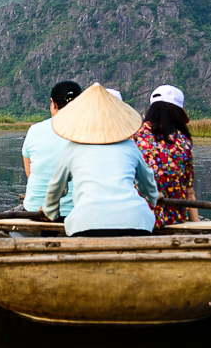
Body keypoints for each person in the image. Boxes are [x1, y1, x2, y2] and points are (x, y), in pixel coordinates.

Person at [44, 83, 159, 236]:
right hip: (136, 222)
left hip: (85, 223)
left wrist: (50, 212)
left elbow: (56, 186)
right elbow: (147, 183)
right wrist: (154, 198)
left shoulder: (72, 149)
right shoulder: (130, 146)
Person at [134, 84, 199, 229]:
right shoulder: (183, 142)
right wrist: (197, 229)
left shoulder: (135, 137)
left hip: (139, 217)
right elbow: (189, 192)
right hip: (174, 219)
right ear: (177, 113)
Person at [21, 81, 83, 216]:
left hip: (34, 209)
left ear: (53, 103)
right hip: (76, 212)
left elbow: (29, 174)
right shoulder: (88, 132)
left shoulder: (34, 130)